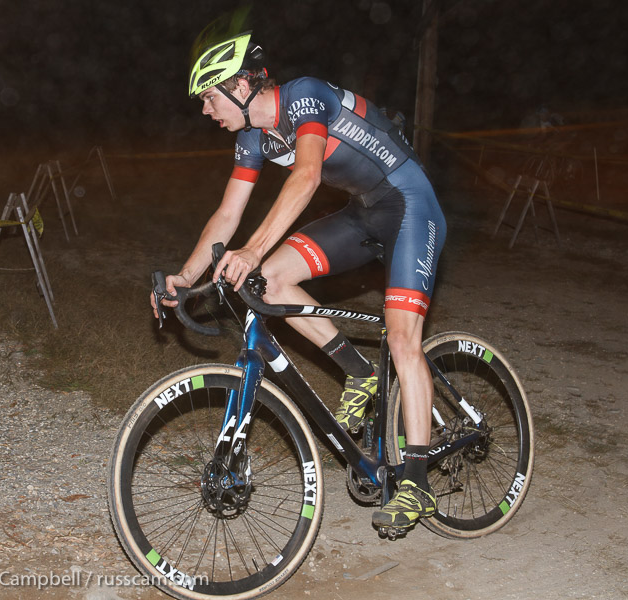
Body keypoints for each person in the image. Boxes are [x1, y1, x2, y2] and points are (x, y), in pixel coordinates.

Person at [152, 31, 447, 532]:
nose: (205, 110)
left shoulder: (306, 94)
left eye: (208, 96)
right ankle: (359, 372)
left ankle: (417, 483)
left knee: (401, 338)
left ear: (240, 85)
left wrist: (252, 248)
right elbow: (228, 214)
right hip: (364, 212)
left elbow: (307, 177)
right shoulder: (252, 138)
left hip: (410, 206)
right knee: (267, 281)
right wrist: (185, 275)